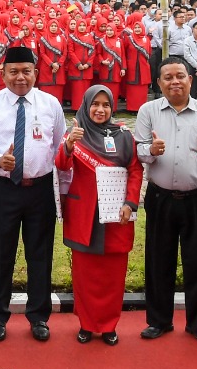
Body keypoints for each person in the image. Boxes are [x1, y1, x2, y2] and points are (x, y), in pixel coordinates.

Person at [134, 58, 197, 343]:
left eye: (180, 76)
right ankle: (159, 320)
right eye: (168, 77)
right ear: (159, 83)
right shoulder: (148, 111)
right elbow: (139, 152)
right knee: (158, 261)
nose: (174, 82)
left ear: (190, 79)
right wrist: (150, 150)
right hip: (160, 197)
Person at [0, 45, 67, 342]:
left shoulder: (51, 104)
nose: (20, 78)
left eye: (26, 71)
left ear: (36, 73)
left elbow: (58, 147)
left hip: (40, 190)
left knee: (40, 254)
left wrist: (63, 189)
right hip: (4, 189)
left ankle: (39, 316)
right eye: (13, 72)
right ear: (3, 74)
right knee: (0, 254)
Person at [57, 85, 141, 345]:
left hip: (117, 216)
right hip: (85, 215)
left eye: (106, 105)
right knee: (85, 275)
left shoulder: (125, 136)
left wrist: (130, 203)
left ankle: (108, 326)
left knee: (113, 276)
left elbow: (135, 171)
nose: (100, 110)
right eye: (95, 104)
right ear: (85, 105)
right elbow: (61, 166)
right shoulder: (75, 134)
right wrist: (69, 146)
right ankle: (86, 324)